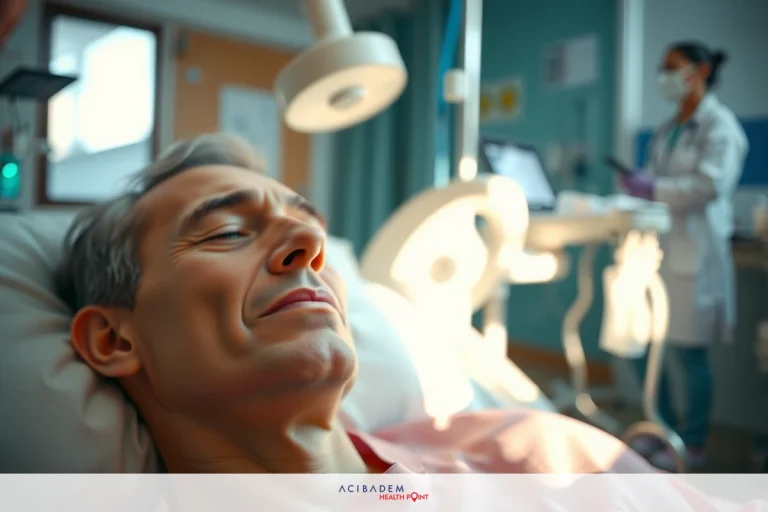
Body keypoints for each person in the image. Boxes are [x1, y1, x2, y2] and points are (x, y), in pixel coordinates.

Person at [56, 132, 658, 476]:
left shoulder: (535, 450)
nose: (313, 245)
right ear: (115, 340)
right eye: (229, 232)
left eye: (308, 223)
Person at [621, 41, 749, 472]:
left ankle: (692, 444)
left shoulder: (720, 126)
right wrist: (639, 186)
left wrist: (653, 189)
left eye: (671, 68)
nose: (663, 75)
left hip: (697, 255)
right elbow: (659, 181)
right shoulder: (668, 127)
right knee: (646, 346)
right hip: (659, 251)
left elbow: (710, 186)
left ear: (697, 72)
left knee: (690, 356)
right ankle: (664, 429)